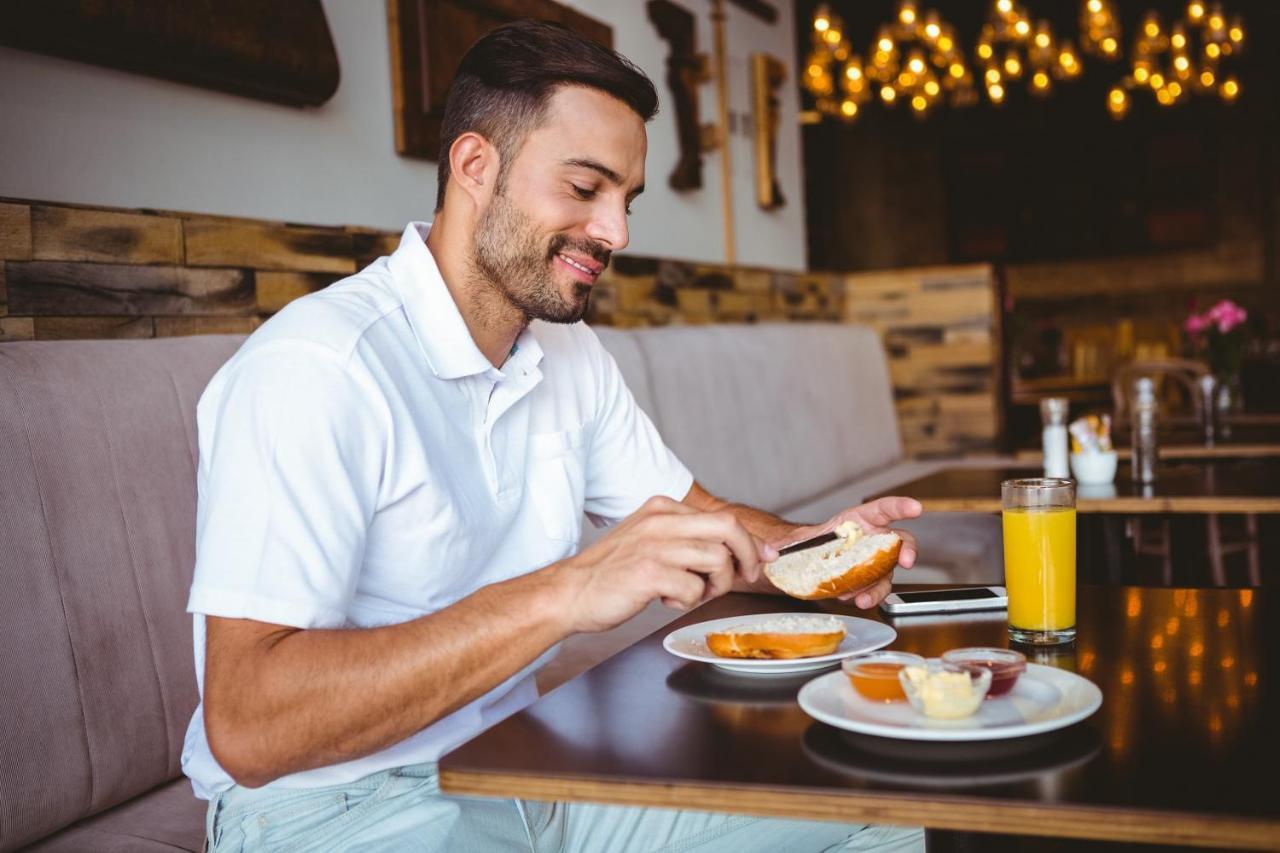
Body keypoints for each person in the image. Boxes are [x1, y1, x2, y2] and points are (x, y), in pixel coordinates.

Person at [184, 19, 924, 852]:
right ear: (475, 166)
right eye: (585, 189)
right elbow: (247, 728)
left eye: (625, 199)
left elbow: (696, 521)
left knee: (891, 811)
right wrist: (569, 591)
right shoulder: (317, 368)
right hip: (337, 810)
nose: (618, 232)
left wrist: (815, 551)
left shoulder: (566, 352)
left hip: (526, 774)